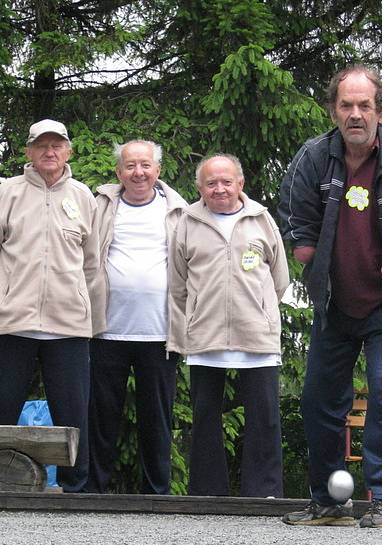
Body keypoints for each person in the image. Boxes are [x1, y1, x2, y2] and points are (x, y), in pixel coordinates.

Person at [278, 65, 382, 528]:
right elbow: (292, 209)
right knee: (318, 399)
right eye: (346, 105)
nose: (355, 114)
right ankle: (330, 501)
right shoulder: (313, 157)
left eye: (364, 105)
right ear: (334, 110)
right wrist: (305, 248)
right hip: (334, 302)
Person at [168, 154, 289, 497]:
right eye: (211, 183)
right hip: (205, 337)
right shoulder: (187, 223)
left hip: (257, 337)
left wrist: (259, 310)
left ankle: (263, 493)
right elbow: (178, 285)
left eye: (226, 181)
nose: (219, 189)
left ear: (240, 184)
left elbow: (279, 279)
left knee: (264, 420)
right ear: (200, 188)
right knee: (205, 419)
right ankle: (208, 493)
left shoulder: (262, 221)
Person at [0, 119, 100, 492]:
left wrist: (77, 299)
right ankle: (5, 482)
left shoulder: (83, 197)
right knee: (2, 406)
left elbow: (91, 262)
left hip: (68, 324)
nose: (49, 152)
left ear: (68, 151)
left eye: (57, 145)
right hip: (12, 321)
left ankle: (76, 488)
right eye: (41, 145)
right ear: (28, 151)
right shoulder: (6, 192)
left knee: (73, 413)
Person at [84, 140, 187, 494]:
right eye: (130, 166)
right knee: (100, 417)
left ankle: (156, 494)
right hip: (106, 330)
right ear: (119, 172)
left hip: (160, 333)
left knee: (157, 420)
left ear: (158, 170)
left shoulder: (179, 210)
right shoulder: (100, 207)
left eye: (145, 165)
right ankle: (93, 491)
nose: (138, 172)